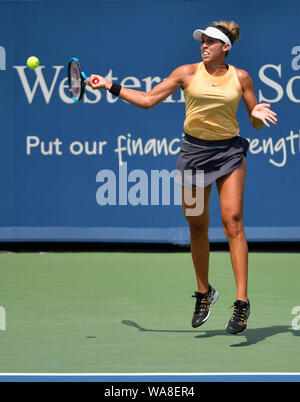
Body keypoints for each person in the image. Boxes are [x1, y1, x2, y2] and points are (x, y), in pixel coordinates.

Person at [87, 20, 277, 335]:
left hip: (229, 153)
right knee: (197, 224)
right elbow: (148, 100)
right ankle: (204, 292)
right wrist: (110, 85)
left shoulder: (241, 77)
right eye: (202, 40)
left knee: (233, 223)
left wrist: (256, 115)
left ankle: (241, 303)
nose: (204, 45)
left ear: (225, 48)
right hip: (193, 155)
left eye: (211, 42)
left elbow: (255, 118)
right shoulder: (186, 73)